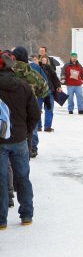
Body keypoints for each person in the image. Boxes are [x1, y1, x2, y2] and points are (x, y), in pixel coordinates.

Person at [0, 50, 39, 228]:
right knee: (23, 177)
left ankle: (1, 219)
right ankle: (27, 214)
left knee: (1, 178)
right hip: (20, 138)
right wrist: (26, 131)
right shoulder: (23, 86)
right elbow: (34, 114)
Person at [10, 47, 49, 158]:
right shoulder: (34, 75)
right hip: (30, 110)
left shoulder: (7, 73)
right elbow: (44, 91)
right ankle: (31, 149)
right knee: (31, 131)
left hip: (10, 112)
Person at [38, 55, 61, 132]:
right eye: (43, 60)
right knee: (38, 109)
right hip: (40, 92)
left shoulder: (50, 68)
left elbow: (55, 78)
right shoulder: (38, 68)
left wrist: (58, 86)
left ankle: (47, 126)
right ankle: (38, 126)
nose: (44, 61)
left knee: (49, 109)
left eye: (45, 60)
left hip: (49, 91)